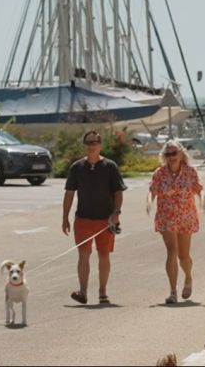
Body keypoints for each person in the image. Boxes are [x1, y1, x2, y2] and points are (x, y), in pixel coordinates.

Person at [62, 130, 126, 305]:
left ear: (100, 145)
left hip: (105, 220)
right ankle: (82, 292)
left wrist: (116, 213)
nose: (91, 146)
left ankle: (102, 292)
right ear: (84, 145)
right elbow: (69, 193)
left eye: (95, 142)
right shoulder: (77, 168)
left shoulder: (110, 166)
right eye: (88, 143)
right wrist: (65, 217)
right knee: (83, 255)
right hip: (83, 219)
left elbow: (118, 191)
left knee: (104, 255)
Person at [147, 140, 205, 304]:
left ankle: (188, 277)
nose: (171, 157)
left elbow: (198, 189)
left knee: (183, 255)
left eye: (174, 153)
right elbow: (152, 190)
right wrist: (149, 201)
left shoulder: (190, 172)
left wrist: (203, 199)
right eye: (168, 154)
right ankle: (172, 292)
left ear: (181, 154)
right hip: (166, 217)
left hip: (185, 217)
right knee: (172, 251)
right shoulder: (159, 173)